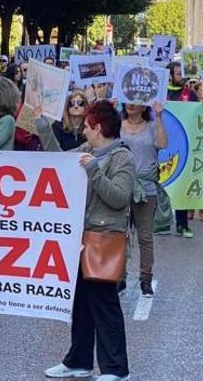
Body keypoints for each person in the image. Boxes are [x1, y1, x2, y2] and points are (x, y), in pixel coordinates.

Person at [42, 100, 134, 381]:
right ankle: (78, 361)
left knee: (104, 303)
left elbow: (119, 198)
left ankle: (117, 369)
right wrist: (42, 124)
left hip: (104, 239)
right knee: (80, 302)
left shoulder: (122, 158)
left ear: (98, 127)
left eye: (86, 126)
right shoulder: (88, 151)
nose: (82, 131)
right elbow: (58, 161)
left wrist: (93, 170)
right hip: (80, 238)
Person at [120, 102, 168, 296]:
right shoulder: (117, 124)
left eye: (136, 101)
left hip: (146, 189)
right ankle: (119, 277)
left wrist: (158, 116)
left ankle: (145, 278)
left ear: (143, 105)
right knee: (119, 234)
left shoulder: (151, 126)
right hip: (121, 187)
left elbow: (163, 144)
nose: (131, 105)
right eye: (128, 100)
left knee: (145, 237)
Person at [166, 62, 197, 234]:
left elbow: (199, 114)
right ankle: (159, 221)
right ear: (170, 75)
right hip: (163, 143)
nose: (182, 76)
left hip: (182, 144)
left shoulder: (190, 94)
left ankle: (182, 223)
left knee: (181, 183)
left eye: (182, 73)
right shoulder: (163, 92)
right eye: (178, 73)